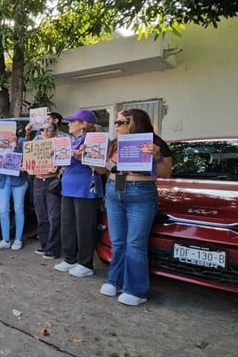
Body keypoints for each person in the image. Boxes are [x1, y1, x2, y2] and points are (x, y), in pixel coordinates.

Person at [97, 109, 172, 306]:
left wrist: (156, 157)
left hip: (141, 190)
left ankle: (136, 290)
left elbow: (166, 173)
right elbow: (102, 168)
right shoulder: (114, 143)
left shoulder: (155, 142)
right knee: (118, 240)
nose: (117, 125)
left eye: (122, 122)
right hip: (114, 189)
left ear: (135, 123)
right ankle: (115, 280)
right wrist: (95, 158)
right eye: (117, 122)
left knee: (135, 243)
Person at [53, 109, 104, 278]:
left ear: (84, 124)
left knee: (84, 226)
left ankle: (85, 262)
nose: (69, 124)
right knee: (67, 223)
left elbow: (100, 166)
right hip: (68, 186)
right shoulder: (69, 140)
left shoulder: (94, 140)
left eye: (73, 121)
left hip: (85, 188)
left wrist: (82, 156)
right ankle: (70, 258)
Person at [0, 135, 29, 251]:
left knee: (18, 208)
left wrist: (16, 145)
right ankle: (5, 240)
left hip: (19, 180)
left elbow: (27, 156)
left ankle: (18, 239)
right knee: (3, 210)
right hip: (3, 180)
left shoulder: (21, 142)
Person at [32, 122, 62, 259]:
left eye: (48, 128)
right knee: (41, 216)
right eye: (42, 129)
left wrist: (58, 164)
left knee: (54, 217)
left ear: (55, 131)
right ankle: (44, 246)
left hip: (52, 182)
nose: (45, 131)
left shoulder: (59, 145)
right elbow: (27, 161)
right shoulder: (34, 145)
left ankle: (53, 249)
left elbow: (64, 162)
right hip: (38, 182)